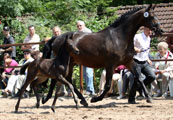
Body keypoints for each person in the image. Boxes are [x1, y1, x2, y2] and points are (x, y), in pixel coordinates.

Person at [128, 27, 156, 104]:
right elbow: (129, 45)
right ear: (144, 29)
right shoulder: (137, 36)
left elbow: (146, 50)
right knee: (138, 80)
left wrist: (147, 59)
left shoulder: (149, 38)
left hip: (144, 61)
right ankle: (132, 98)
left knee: (152, 76)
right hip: (136, 61)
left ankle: (140, 88)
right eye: (149, 30)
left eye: (151, 30)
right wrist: (135, 49)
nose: (150, 31)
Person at [76, 20, 95, 95]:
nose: (79, 27)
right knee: (84, 73)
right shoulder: (77, 33)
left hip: (89, 55)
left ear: (84, 25)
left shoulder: (88, 32)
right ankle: (89, 89)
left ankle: (90, 90)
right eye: (78, 26)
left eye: (80, 25)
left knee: (88, 72)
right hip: (82, 55)